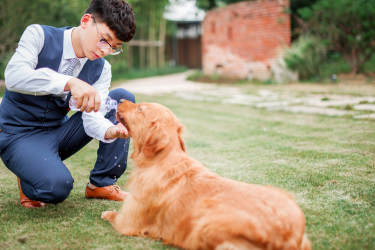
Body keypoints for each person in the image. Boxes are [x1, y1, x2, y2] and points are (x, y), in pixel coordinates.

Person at [0, 0, 136, 208]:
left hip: (58, 133)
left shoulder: (102, 69)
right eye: (104, 40)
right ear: (86, 21)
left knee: (121, 99)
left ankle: (102, 183)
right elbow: (14, 76)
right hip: (18, 133)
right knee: (56, 187)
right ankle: (29, 172)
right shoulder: (38, 34)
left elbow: (92, 119)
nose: (105, 51)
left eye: (114, 47)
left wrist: (110, 131)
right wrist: (68, 82)